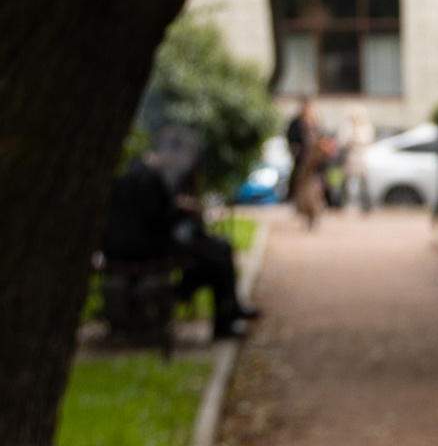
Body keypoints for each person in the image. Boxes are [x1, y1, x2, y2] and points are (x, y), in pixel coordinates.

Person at [98, 136, 257, 338]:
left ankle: (221, 307)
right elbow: (157, 220)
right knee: (217, 257)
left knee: (216, 254)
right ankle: (221, 315)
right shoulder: (149, 178)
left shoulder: (132, 172)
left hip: (127, 245)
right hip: (144, 247)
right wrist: (183, 210)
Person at [286, 97, 326, 230]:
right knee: (304, 192)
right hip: (303, 165)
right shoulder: (296, 125)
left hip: (315, 167)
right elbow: (291, 140)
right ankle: (309, 214)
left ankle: (314, 214)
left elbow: (323, 142)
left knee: (314, 192)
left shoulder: (316, 127)